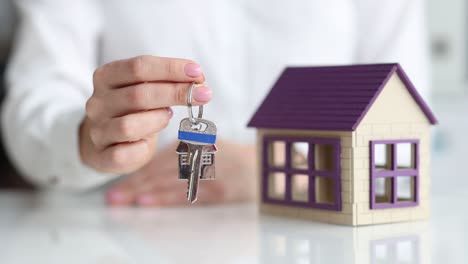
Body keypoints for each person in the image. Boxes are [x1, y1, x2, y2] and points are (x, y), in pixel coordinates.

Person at [1, 0, 430, 206]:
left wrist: (285, 172)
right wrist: (85, 138)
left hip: (319, 231)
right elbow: (36, 107)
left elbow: (403, 125)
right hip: (119, 225)